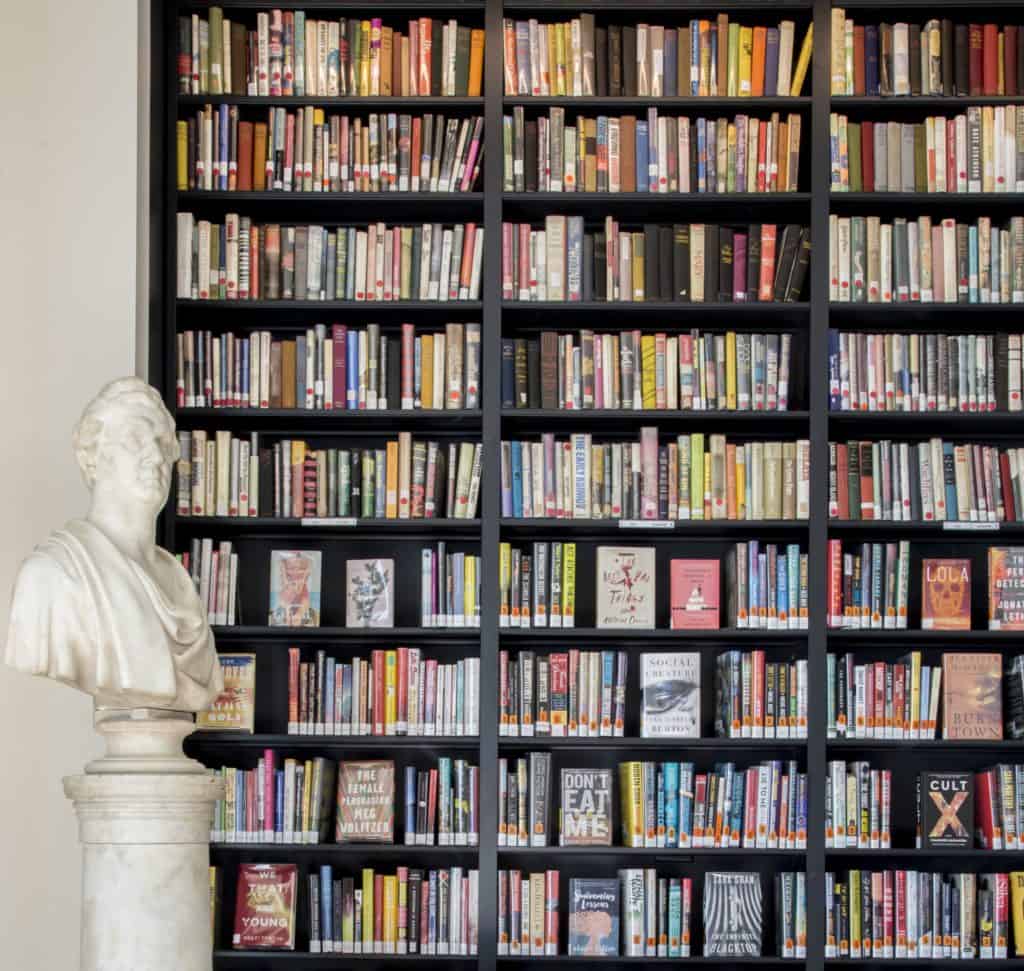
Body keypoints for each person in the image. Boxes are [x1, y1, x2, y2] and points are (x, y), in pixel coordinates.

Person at [4, 377, 223, 711]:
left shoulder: (179, 581)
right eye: (135, 438)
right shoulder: (50, 577)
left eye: (163, 443)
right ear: (92, 457)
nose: (156, 456)